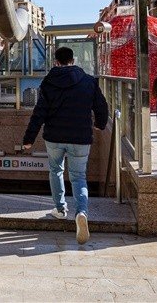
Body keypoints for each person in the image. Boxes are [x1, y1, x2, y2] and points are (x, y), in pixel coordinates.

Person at [22, 46, 109, 245]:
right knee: (79, 177)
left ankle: (60, 209)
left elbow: (39, 112)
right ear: (73, 60)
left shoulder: (49, 82)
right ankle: (82, 212)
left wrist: (29, 139)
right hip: (81, 137)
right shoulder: (88, 81)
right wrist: (99, 124)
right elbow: (101, 106)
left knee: (55, 170)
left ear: (56, 61)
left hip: (54, 136)